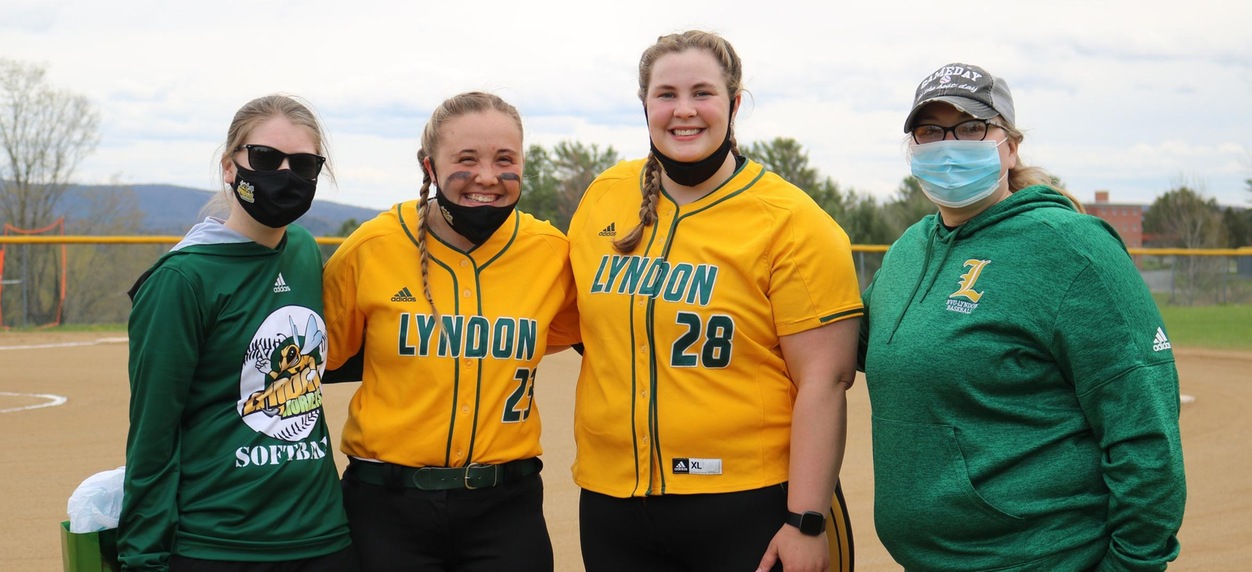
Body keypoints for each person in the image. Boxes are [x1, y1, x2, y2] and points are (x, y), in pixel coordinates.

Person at [859, 62, 1186, 571]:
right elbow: (841, 349)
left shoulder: (1071, 247)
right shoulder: (907, 252)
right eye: (930, 132)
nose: (950, 145)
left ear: (1010, 145)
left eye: (970, 128)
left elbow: (1146, 435)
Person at [567, 30, 862, 572]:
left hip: (749, 502)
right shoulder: (605, 196)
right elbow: (602, 337)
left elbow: (824, 381)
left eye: (702, 93)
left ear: (734, 103)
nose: (684, 111)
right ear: (644, 104)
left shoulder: (792, 220)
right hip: (614, 503)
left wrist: (806, 520)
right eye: (666, 95)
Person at [321, 91, 579, 572]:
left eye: (505, 159)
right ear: (429, 167)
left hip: (506, 506)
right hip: (385, 507)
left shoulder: (552, 253)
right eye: (466, 159)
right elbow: (320, 362)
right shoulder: (371, 247)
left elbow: (607, 336)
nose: (487, 176)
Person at [120, 94, 357, 571]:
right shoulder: (182, 280)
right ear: (230, 167)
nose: (286, 174)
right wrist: (142, 557)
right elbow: (153, 436)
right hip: (221, 542)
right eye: (266, 158)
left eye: (305, 164)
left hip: (323, 536)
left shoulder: (305, 251)